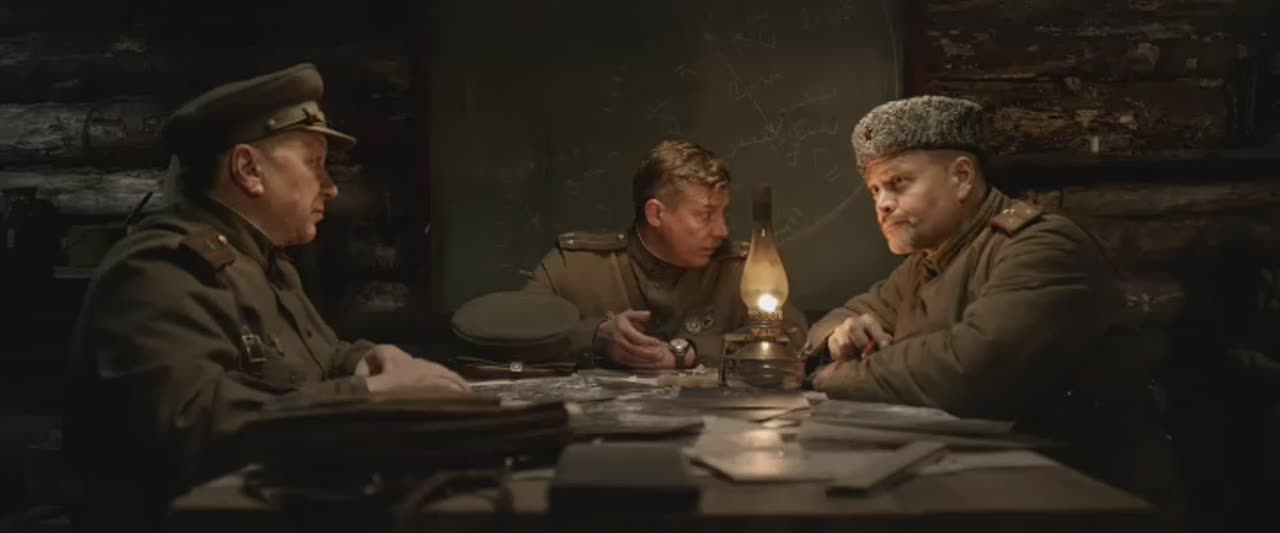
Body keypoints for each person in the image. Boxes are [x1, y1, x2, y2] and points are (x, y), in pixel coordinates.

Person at [62, 63, 469, 529]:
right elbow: (194, 423)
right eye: (313, 163)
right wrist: (368, 398)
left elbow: (316, 359)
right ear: (249, 169)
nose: (331, 187)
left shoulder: (261, 263)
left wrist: (368, 359)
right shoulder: (160, 270)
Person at [803, 95, 1183, 519]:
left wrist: (840, 377)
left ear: (962, 177)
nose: (882, 203)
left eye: (898, 183)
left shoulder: (1040, 245)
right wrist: (838, 336)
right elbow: (840, 317)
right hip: (996, 489)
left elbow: (972, 368)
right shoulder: (927, 261)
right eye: (875, 190)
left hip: (1086, 501)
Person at [519, 139, 808, 371]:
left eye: (724, 214)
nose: (722, 231)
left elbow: (794, 337)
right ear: (656, 214)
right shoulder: (578, 268)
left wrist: (692, 352)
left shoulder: (739, 272)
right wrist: (595, 337)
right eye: (706, 215)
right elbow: (510, 332)